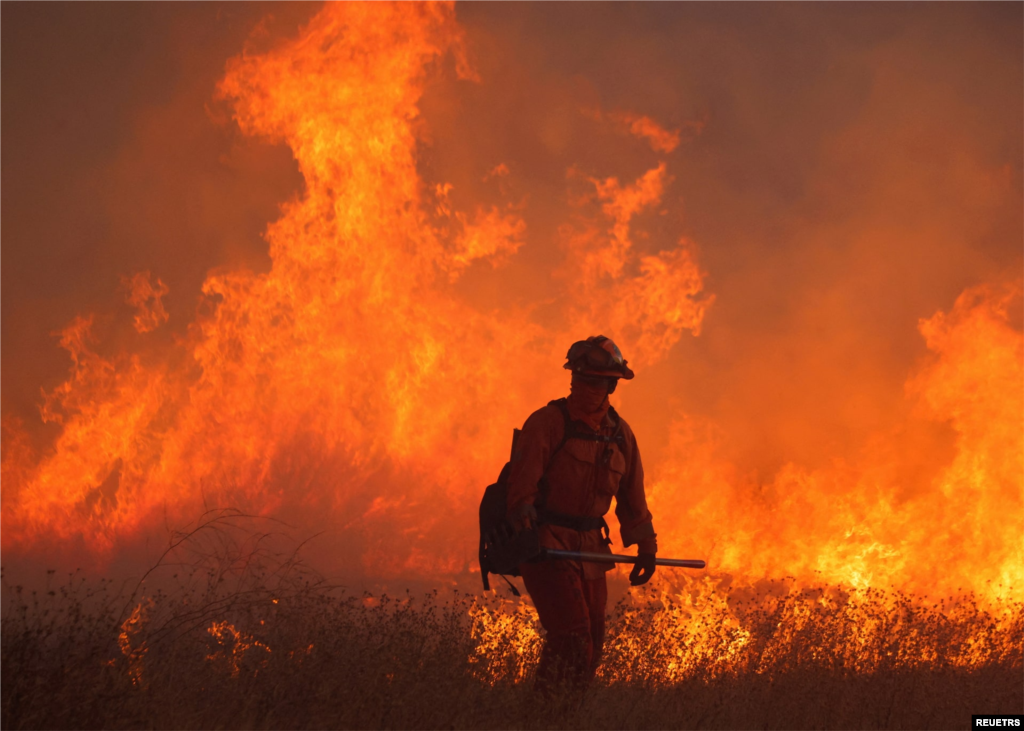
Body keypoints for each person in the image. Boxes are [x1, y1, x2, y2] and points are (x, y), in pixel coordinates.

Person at [506, 335, 657, 690]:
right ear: (572, 378)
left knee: (592, 644)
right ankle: (541, 716)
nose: (587, 386)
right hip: (547, 544)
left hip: (590, 548)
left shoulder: (620, 435)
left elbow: (633, 498)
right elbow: (521, 487)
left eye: (597, 381)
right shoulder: (547, 423)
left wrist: (645, 545)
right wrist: (525, 520)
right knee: (572, 638)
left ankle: (565, 716)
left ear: (612, 386)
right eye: (582, 379)